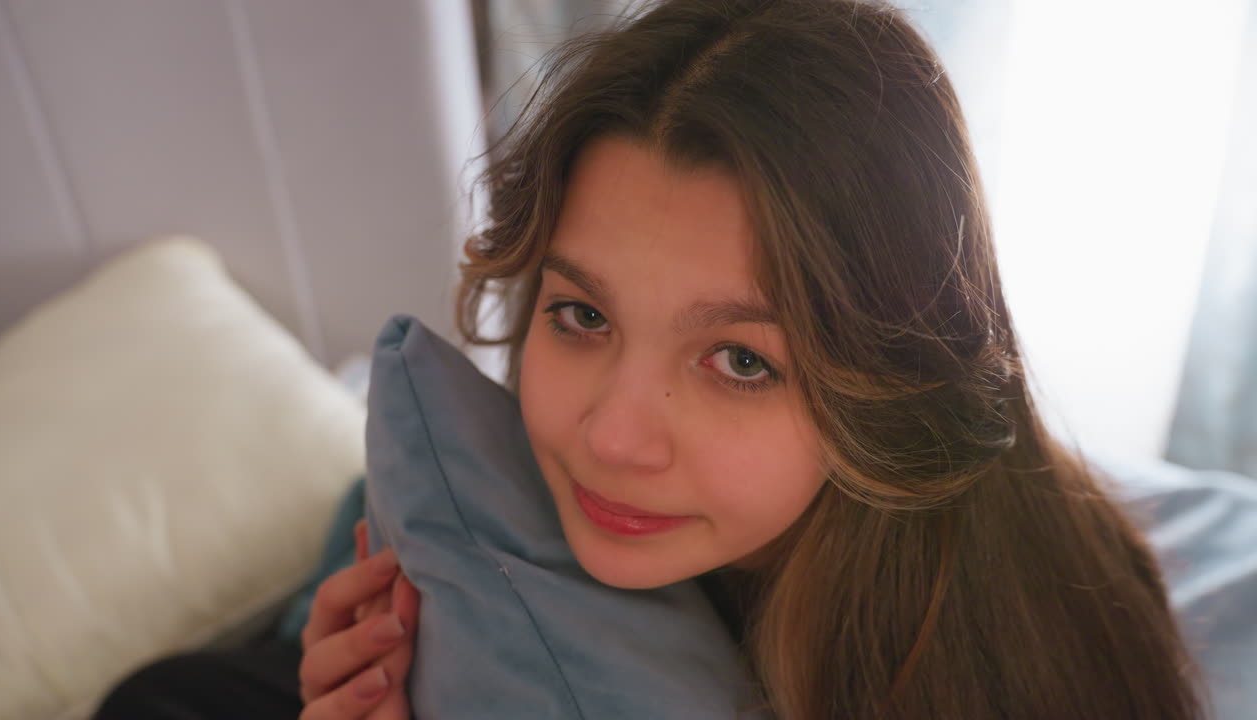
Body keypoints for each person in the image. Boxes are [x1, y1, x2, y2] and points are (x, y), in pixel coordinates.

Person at [98, 1, 1207, 718]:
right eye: (581, 315)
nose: (611, 438)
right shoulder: (463, 505)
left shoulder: (1045, 648)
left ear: (891, 384)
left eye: (739, 361)